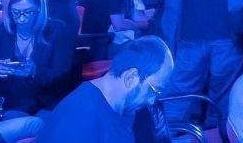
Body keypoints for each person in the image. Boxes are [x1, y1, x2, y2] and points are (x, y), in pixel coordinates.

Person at [32, 36, 171, 143]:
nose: (152, 100)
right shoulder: (79, 120)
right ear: (131, 77)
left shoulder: (132, 110)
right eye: (153, 90)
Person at [0, 0, 56, 114]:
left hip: (45, 108)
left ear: (39, 8)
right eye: (16, 12)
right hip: (8, 108)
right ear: (9, 11)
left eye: (28, 12)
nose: (21, 19)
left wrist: (34, 73)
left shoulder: (54, 31)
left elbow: (63, 83)